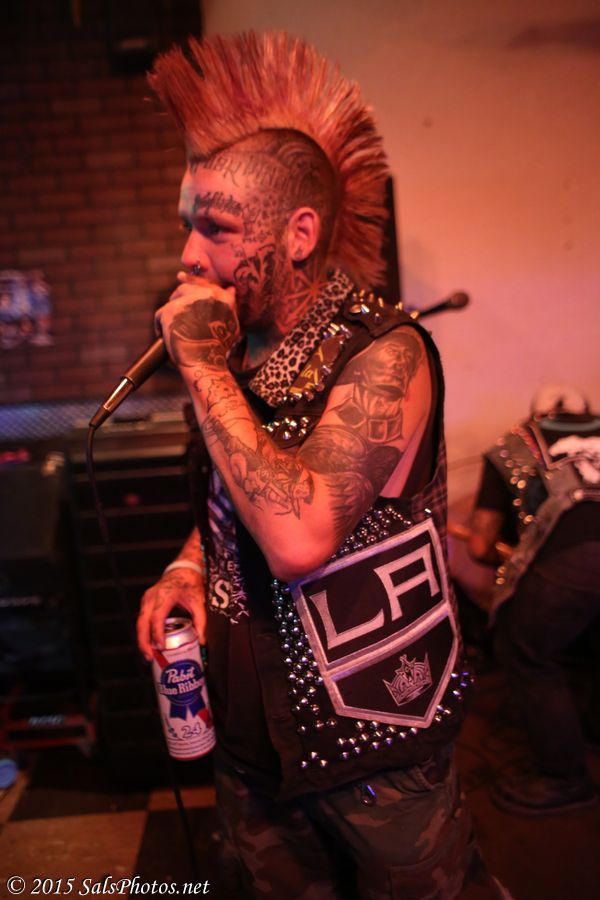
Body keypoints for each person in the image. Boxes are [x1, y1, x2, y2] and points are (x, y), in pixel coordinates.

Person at [136, 32, 504, 898]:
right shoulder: (247, 351)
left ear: (298, 234)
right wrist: (188, 566)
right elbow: (237, 493)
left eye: (216, 227)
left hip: (374, 748)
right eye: (188, 225)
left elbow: (299, 535)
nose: (190, 253)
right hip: (255, 745)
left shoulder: (385, 355)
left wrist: (201, 369)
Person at [469, 384, 600, 815]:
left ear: (534, 416)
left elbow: (480, 545)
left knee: (523, 650)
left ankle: (564, 778)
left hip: (576, 559)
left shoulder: (514, 444)